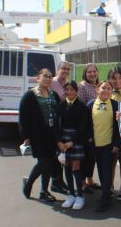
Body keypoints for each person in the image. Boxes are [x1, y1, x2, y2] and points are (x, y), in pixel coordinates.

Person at [20, 69, 60, 202]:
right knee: (44, 161)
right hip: (38, 135)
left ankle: (44, 191)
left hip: (52, 135)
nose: (48, 79)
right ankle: (29, 182)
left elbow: (60, 112)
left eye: (50, 77)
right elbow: (23, 117)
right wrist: (26, 136)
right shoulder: (30, 95)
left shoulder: (53, 94)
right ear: (38, 78)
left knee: (48, 163)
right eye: (45, 76)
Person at [87, 80, 121, 212]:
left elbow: (119, 127)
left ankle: (105, 198)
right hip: (95, 145)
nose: (106, 90)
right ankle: (106, 194)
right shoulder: (91, 104)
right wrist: (89, 139)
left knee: (107, 171)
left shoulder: (115, 104)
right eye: (103, 88)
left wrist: (116, 144)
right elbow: (88, 124)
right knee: (101, 170)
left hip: (109, 145)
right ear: (97, 89)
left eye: (109, 88)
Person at [57, 81, 89, 210]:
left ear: (76, 91)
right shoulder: (60, 105)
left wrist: (72, 141)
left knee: (76, 167)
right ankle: (71, 194)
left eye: (72, 90)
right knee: (67, 166)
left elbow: (83, 127)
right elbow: (56, 125)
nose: (69, 92)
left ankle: (80, 196)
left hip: (77, 139)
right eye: (67, 90)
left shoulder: (82, 106)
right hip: (63, 139)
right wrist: (59, 141)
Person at [77, 63, 101, 193]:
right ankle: (82, 184)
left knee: (92, 157)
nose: (92, 74)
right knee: (85, 157)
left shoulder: (99, 86)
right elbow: (81, 108)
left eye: (94, 71)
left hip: (99, 127)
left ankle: (90, 180)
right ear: (85, 74)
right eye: (89, 72)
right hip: (87, 128)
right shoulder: (82, 86)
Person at [108, 67, 121, 201]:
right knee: (111, 160)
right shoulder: (107, 91)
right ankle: (110, 187)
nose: (117, 81)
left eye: (119, 78)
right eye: (114, 78)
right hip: (110, 130)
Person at [50, 61, 71, 194]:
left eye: (67, 69)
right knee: (54, 155)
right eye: (63, 69)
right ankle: (54, 182)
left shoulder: (67, 84)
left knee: (62, 153)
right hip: (53, 123)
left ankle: (60, 180)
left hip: (64, 123)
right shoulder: (51, 82)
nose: (65, 71)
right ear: (57, 70)